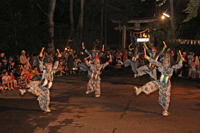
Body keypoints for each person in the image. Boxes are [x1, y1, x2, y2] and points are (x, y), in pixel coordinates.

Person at [134, 49, 184, 116]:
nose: (165, 61)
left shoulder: (172, 67)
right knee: (151, 84)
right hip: (160, 81)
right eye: (164, 59)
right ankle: (139, 90)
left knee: (166, 97)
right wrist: (147, 57)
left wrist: (181, 60)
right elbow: (154, 62)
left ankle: (165, 111)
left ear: (169, 60)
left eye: (166, 60)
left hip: (166, 84)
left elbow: (179, 65)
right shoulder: (161, 65)